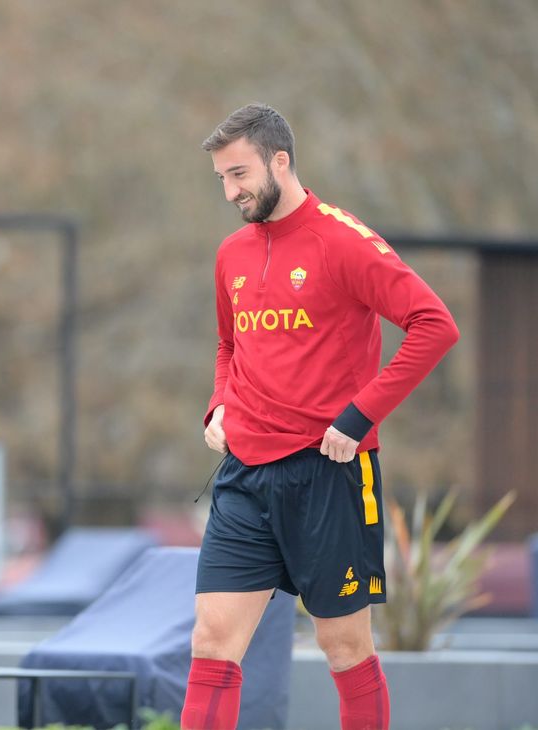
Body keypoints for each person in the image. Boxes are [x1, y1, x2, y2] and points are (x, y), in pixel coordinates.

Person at [183, 105, 459, 730]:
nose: (232, 191)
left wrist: (359, 416)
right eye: (222, 179)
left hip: (330, 475)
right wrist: (219, 403)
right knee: (211, 641)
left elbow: (434, 326)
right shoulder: (230, 254)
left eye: (240, 174)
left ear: (280, 161)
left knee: (343, 649)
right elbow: (230, 346)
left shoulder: (342, 241)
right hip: (244, 476)